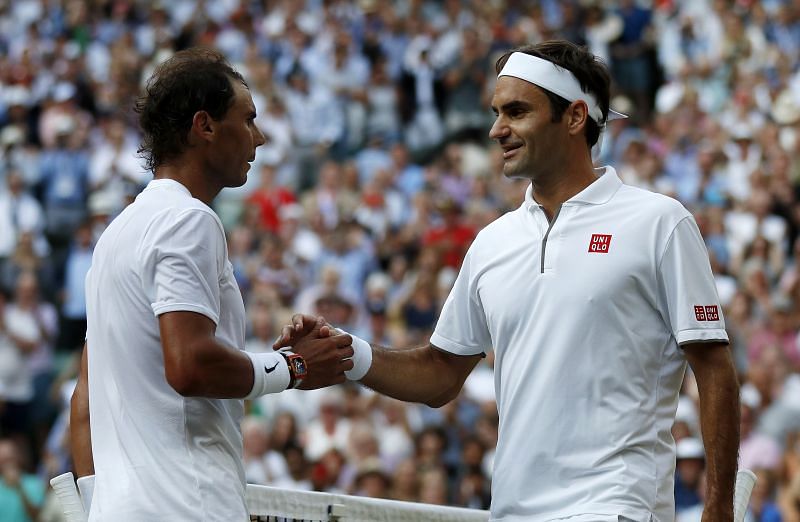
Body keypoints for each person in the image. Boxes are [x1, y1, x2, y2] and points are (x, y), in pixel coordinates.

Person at [278, 40, 740, 521]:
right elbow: (440, 375)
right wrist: (347, 353)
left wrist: (718, 507)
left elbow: (713, 368)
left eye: (516, 112)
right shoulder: (492, 242)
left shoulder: (660, 222)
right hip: (513, 512)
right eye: (497, 113)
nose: (497, 129)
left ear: (576, 117)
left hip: (615, 507)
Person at [70, 48, 354, 521]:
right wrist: (296, 366)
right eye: (247, 119)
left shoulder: (115, 235)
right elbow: (189, 366)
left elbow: (84, 403)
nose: (259, 138)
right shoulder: (188, 220)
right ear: (204, 126)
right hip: (187, 507)